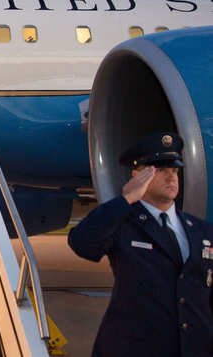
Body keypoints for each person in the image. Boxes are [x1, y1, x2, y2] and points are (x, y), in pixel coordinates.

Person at [68, 132, 213, 357]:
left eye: (174, 171)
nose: (171, 178)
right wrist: (125, 199)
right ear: (138, 175)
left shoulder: (202, 231)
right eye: (161, 171)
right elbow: (82, 243)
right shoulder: (124, 223)